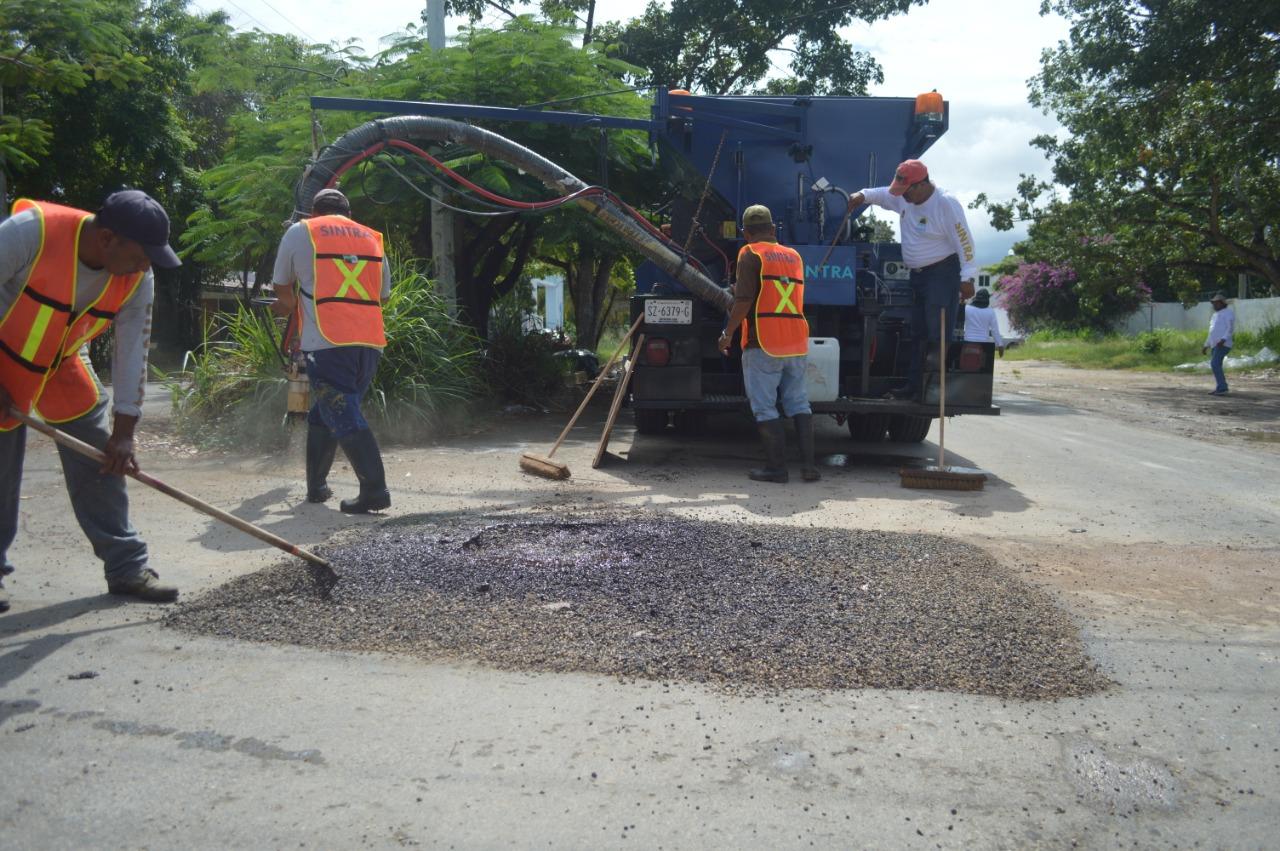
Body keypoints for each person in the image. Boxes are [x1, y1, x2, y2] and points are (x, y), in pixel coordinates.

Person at [0, 190, 183, 613]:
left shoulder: (138, 275)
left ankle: (126, 568)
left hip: (61, 363)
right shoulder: (31, 233)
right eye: (141, 254)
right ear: (107, 239)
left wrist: (124, 433)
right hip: (4, 361)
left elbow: (132, 349)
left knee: (102, 458)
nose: (145, 264)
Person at [272, 188, 393, 513]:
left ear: (314, 213)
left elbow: (283, 292)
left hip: (327, 343)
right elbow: (383, 297)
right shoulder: (370, 237)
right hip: (368, 344)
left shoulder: (302, 232)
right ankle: (317, 487)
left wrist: (282, 308)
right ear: (349, 215)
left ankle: (374, 489)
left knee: (342, 411)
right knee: (327, 410)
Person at [846, 159, 978, 399]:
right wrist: (861, 195)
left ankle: (932, 390)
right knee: (917, 333)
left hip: (942, 275)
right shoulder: (903, 196)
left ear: (921, 185)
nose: (901, 197)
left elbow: (965, 242)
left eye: (906, 192)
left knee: (936, 334)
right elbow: (881, 195)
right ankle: (914, 386)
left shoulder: (945, 204)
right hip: (918, 277)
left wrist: (968, 276)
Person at [717, 204, 819, 483]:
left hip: (763, 341)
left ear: (746, 232)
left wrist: (728, 333)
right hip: (796, 340)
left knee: (764, 406)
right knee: (799, 402)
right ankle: (809, 467)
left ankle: (777, 468)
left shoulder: (749, 253)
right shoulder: (794, 255)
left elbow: (744, 300)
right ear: (773, 229)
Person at [1202, 291, 1235, 396]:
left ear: (1222, 303)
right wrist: (1206, 345)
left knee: (1214, 364)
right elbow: (1211, 331)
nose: (1215, 305)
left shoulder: (1228, 313)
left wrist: (1223, 339)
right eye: (1214, 303)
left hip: (1222, 344)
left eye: (1217, 303)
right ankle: (1220, 387)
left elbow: (1230, 328)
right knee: (1216, 365)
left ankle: (1222, 387)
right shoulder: (1215, 315)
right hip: (1214, 344)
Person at [963, 288, 1004, 356]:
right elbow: (994, 330)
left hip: (968, 341)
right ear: (987, 300)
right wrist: (1000, 344)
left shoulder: (967, 308)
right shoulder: (991, 312)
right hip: (983, 344)